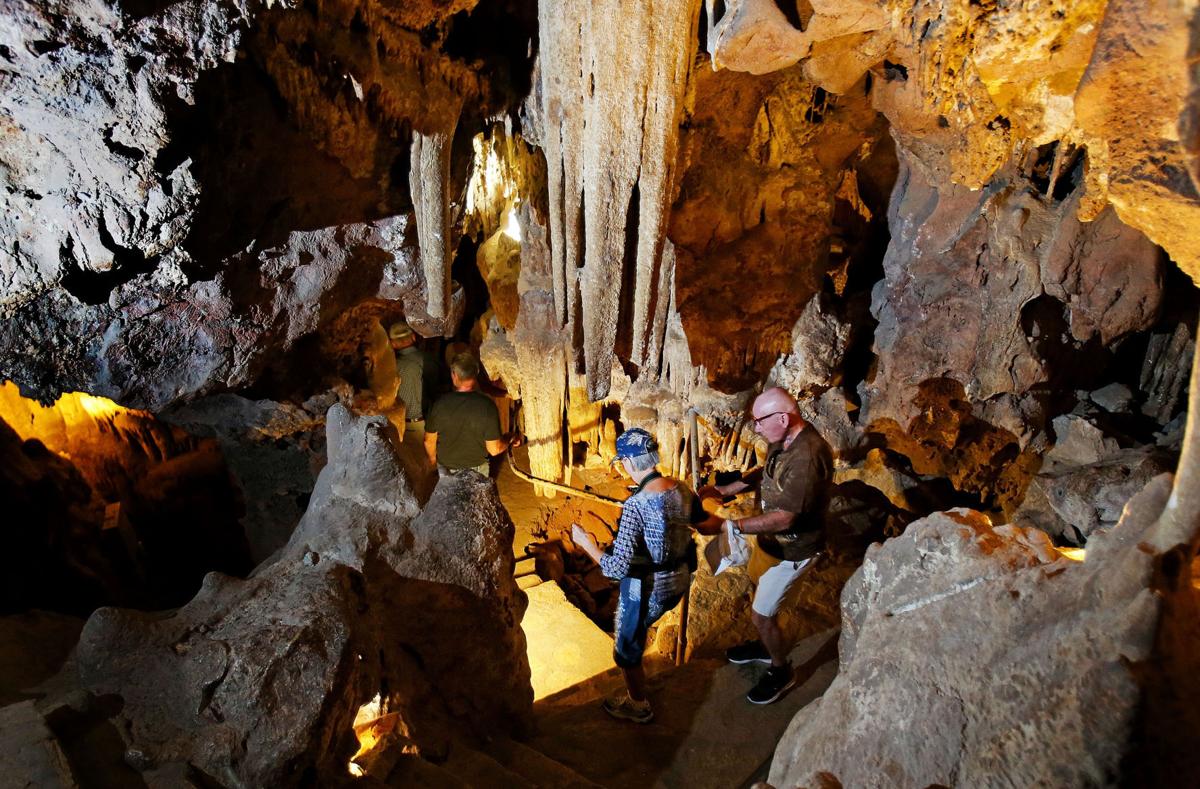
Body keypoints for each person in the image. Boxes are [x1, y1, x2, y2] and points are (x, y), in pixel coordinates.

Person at [699, 387, 833, 705]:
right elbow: (767, 472)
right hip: (771, 544)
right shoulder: (783, 437)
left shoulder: (809, 458)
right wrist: (726, 489)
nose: (756, 428)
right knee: (757, 586)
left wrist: (732, 525)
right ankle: (764, 645)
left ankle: (781, 668)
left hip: (795, 550)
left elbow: (786, 518)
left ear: (783, 418)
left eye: (760, 422)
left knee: (762, 615)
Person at [571, 428, 699, 724]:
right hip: (679, 579)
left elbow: (615, 568)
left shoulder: (635, 507)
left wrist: (587, 543)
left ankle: (638, 704)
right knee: (642, 627)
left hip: (647, 588)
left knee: (627, 648)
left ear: (628, 463)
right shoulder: (680, 488)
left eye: (622, 463)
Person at [424, 352, 519, 476]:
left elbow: (428, 441)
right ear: (476, 375)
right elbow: (494, 449)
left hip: (446, 469)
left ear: (454, 375)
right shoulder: (487, 406)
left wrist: (432, 460)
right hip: (477, 471)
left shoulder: (439, 404)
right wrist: (509, 438)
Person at [389, 321, 439, 440]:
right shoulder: (430, 360)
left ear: (393, 344)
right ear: (413, 337)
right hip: (426, 424)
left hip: (398, 426)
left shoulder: (390, 368)